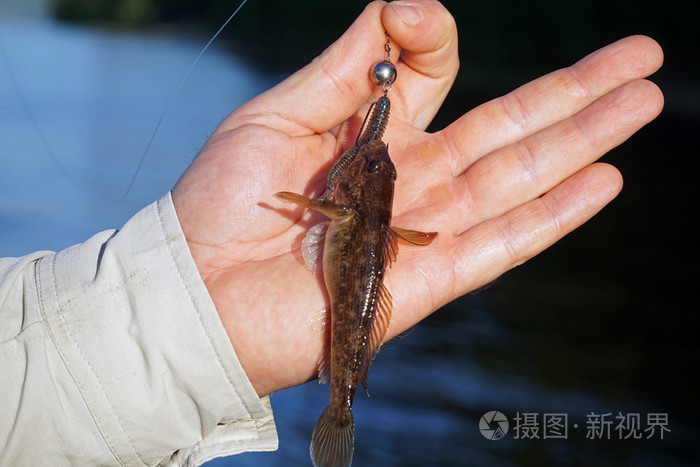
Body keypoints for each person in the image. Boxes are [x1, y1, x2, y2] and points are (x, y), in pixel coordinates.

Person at [0, 0, 663, 465]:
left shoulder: (345, 204)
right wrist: (194, 294)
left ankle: (338, 406)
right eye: (373, 162)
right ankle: (342, 404)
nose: (370, 160)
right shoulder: (356, 209)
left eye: (374, 167)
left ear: (350, 200)